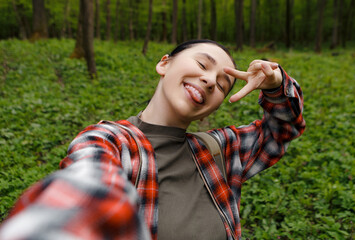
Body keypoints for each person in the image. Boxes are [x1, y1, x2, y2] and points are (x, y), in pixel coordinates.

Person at [0, 39, 305, 240]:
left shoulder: (217, 151)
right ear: (164, 64)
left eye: (223, 84)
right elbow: (86, 190)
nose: (211, 80)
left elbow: (282, 130)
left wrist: (276, 85)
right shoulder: (110, 142)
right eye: (202, 65)